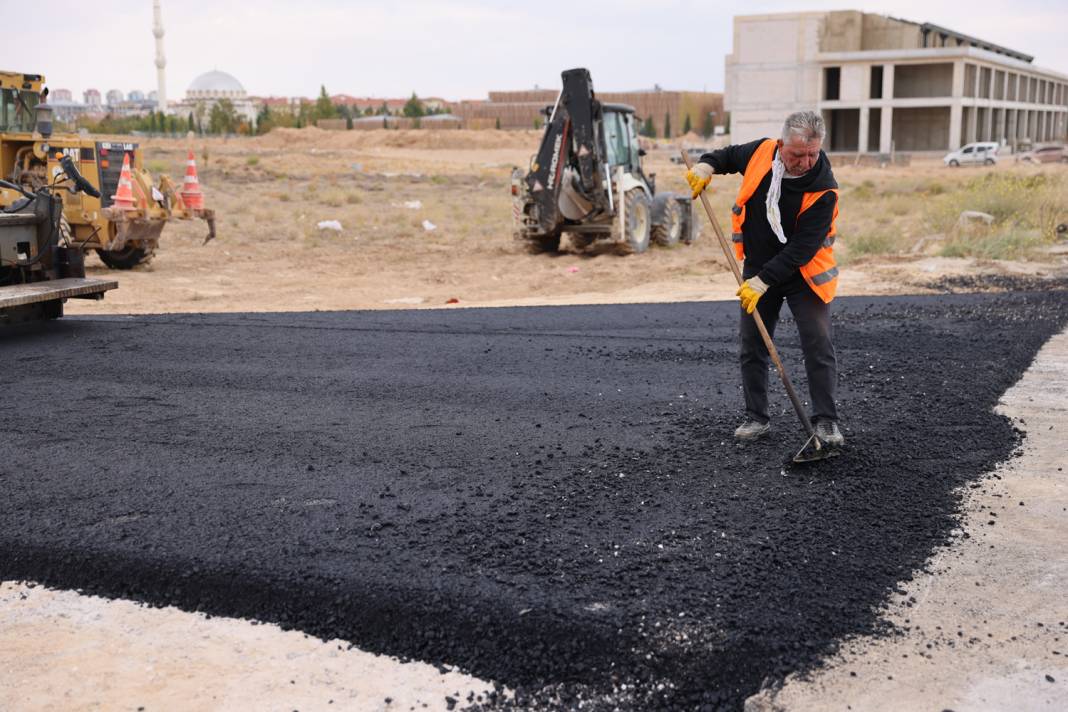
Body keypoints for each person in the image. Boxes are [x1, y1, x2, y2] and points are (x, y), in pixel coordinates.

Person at [686, 111, 844, 446]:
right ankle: (756, 418)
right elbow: (727, 156)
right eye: (796, 154)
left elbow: (802, 248)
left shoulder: (824, 189)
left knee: (818, 342)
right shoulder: (761, 152)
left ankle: (826, 422)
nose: (804, 162)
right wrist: (705, 165)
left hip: (804, 273)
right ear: (781, 143)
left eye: (812, 154)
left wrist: (763, 282)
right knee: (753, 343)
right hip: (758, 264)